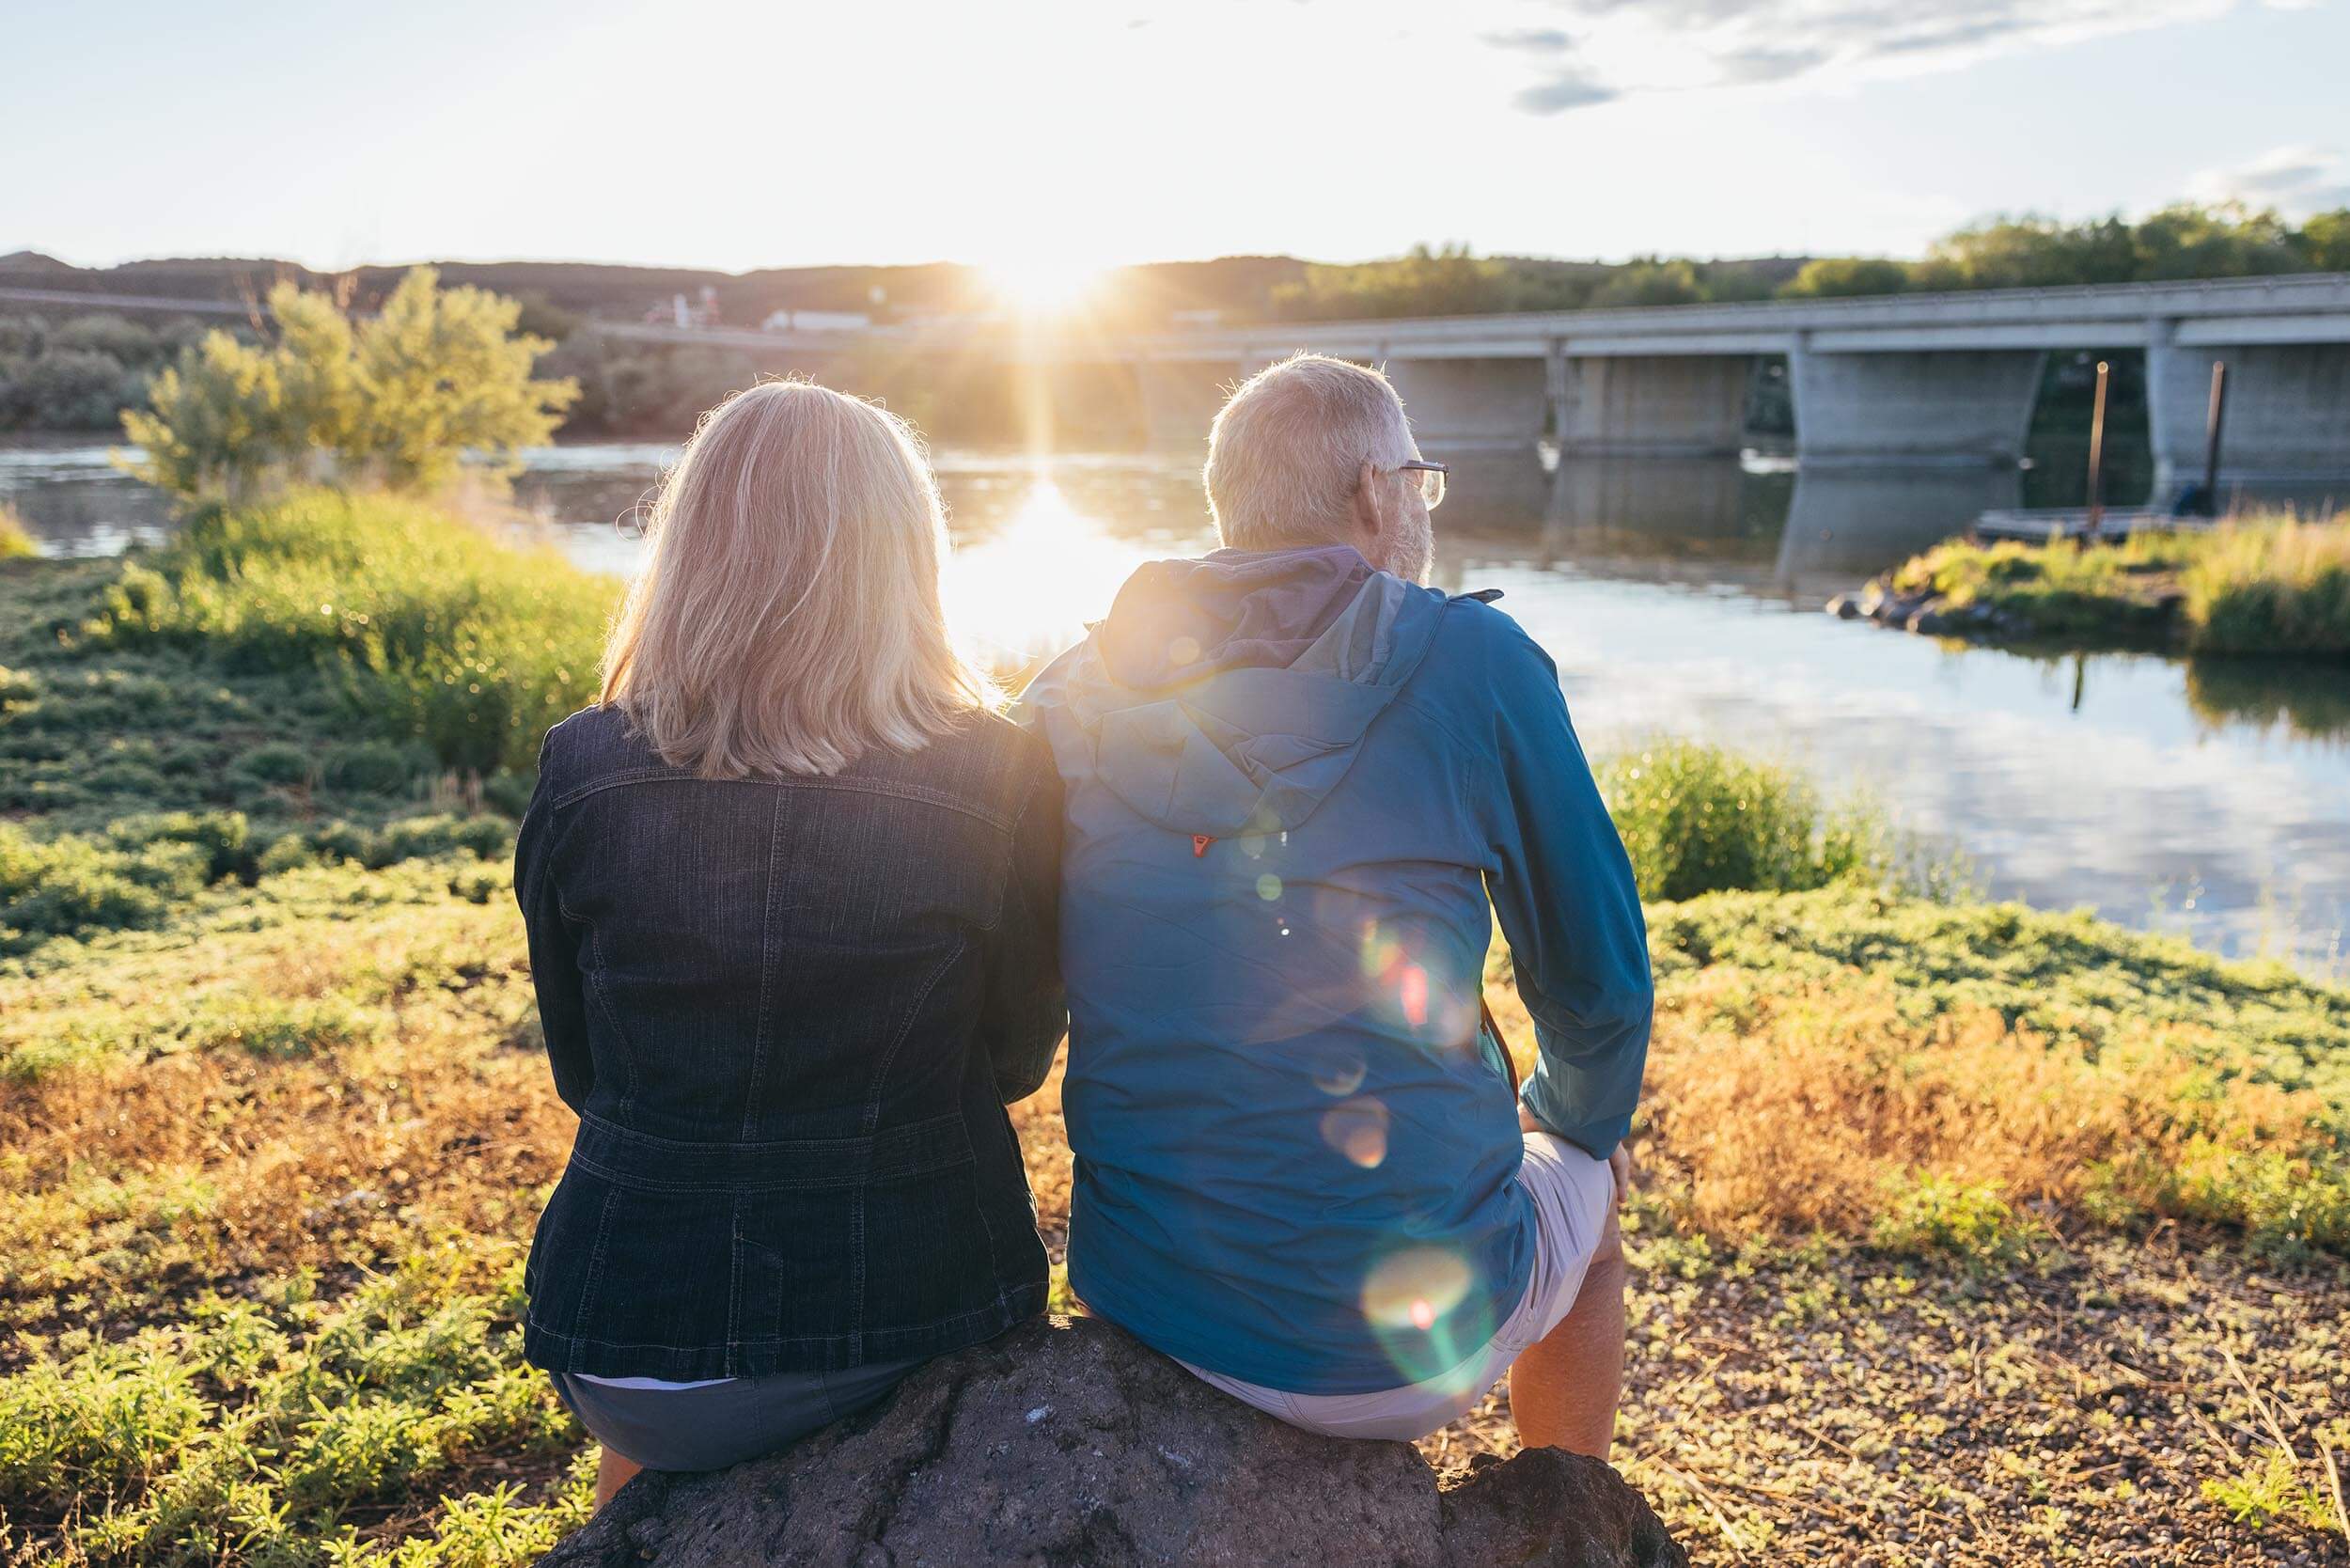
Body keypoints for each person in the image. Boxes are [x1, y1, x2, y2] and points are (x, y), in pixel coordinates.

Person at [1021, 353, 1650, 1452]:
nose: (1420, 503)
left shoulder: (1069, 688)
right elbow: (1596, 988)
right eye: (1420, 478)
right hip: (1391, 1360)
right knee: (1591, 1203)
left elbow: (1018, 995)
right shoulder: (1475, 662)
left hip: (1139, 1292)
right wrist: (1567, 1125)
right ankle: (1565, 1515)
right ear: (1374, 491)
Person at [514, 381, 1066, 1505]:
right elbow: (1015, 1062)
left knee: (648, 1478)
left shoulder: (580, 765)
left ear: (690, 547)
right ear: (906, 553)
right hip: (913, 1306)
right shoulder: (1001, 769)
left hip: (627, 1336)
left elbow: (586, 1073)